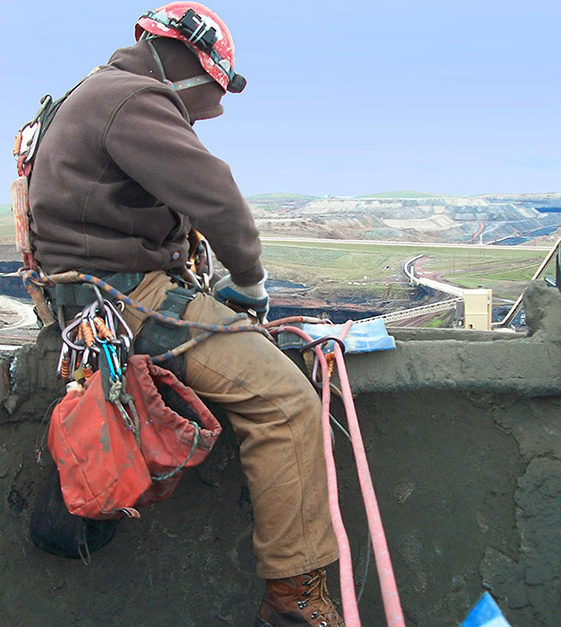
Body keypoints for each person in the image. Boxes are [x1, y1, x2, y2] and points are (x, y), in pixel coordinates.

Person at [27, 3, 343, 625]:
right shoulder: (131, 98)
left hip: (92, 301)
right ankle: (294, 603)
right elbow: (219, 201)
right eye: (216, 92)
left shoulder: (91, 94)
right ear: (192, 65)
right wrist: (249, 282)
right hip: (123, 299)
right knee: (284, 400)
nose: (216, 109)